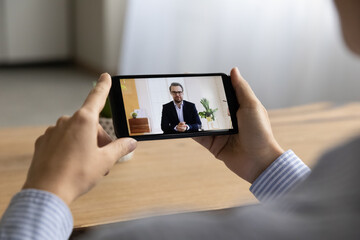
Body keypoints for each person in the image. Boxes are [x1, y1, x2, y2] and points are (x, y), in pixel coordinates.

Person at [0, 0, 359, 239]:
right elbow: (165, 124)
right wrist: (265, 162)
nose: (175, 97)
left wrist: (47, 190)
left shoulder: (187, 110)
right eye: (172, 94)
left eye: (176, 93)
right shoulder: (168, 110)